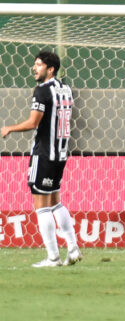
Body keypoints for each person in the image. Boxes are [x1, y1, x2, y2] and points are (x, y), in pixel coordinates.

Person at [1, 51, 82, 267]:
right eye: (34, 65)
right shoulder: (66, 89)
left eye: (38, 65)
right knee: (56, 202)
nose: (34, 68)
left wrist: (9, 128)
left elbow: (33, 123)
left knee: (42, 207)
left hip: (44, 154)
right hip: (61, 154)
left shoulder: (42, 91)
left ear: (50, 69)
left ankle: (53, 257)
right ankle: (73, 248)